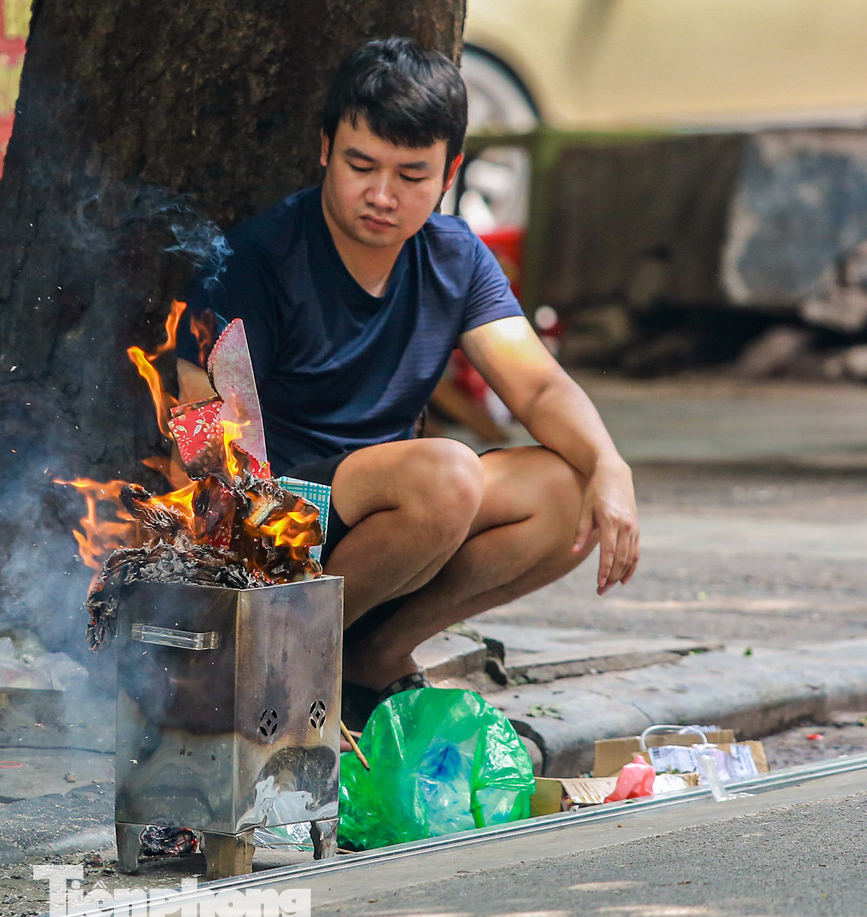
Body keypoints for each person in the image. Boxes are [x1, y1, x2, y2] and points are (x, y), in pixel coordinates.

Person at [175, 37, 639, 726]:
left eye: (412, 175)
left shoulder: (455, 256)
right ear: (326, 147)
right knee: (447, 474)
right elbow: (205, 428)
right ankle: (281, 651)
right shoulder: (256, 257)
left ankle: (375, 656)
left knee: (569, 493)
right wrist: (248, 562)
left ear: (449, 171)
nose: (382, 195)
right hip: (279, 522)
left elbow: (538, 387)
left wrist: (611, 466)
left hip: (406, 525)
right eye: (362, 165)